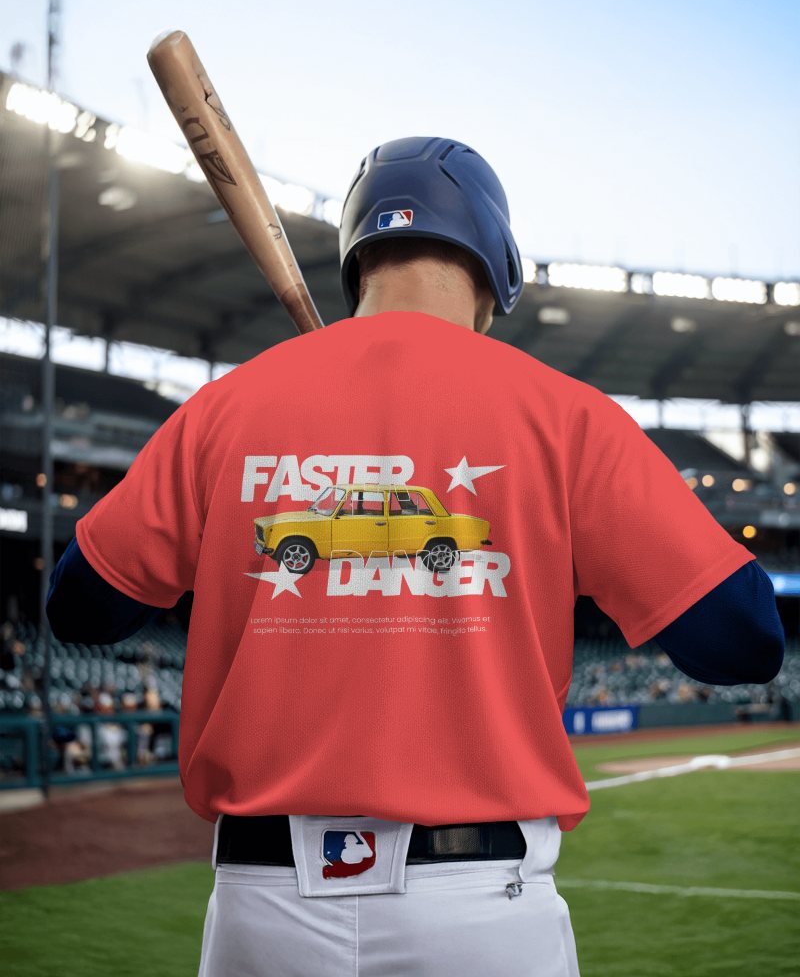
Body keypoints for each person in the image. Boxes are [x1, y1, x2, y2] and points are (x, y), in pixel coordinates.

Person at [46, 135, 785, 976]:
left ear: (357, 261)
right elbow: (744, 639)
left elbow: (81, 604)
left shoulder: (223, 410)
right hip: (479, 908)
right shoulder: (564, 416)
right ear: (496, 271)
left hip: (262, 909)